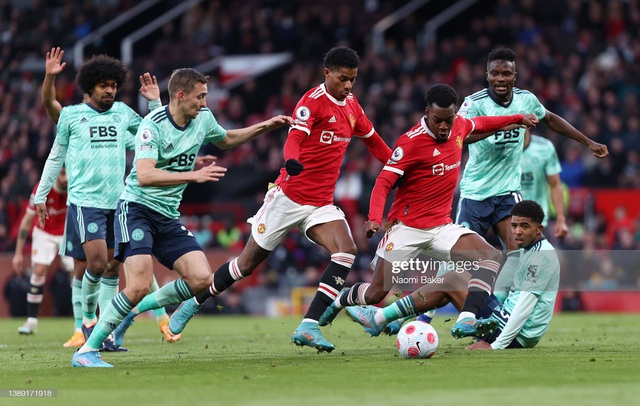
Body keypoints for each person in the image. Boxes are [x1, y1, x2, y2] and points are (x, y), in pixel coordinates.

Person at [167, 47, 393, 353]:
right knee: (245, 265)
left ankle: (309, 325)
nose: (349, 85)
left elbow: (374, 142)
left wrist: (398, 167)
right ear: (327, 73)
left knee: (346, 251)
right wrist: (291, 161)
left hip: (321, 204)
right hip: (288, 197)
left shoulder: (352, 105)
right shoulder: (312, 102)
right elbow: (295, 138)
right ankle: (194, 301)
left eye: (353, 79)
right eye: (343, 79)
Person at [71, 67, 293, 367]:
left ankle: (132, 313)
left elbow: (226, 139)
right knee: (136, 285)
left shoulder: (203, 119)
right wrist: (194, 175)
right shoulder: (153, 125)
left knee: (201, 279)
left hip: (167, 215)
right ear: (181, 95)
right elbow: (145, 175)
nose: (205, 102)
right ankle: (87, 350)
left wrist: (265, 126)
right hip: (137, 209)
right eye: (200, 96)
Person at [318, 84, 539, 339]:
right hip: (407, 229)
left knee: (490, 256)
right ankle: (339, 300)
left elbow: (484, 122)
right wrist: (374, 218)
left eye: (449, 120)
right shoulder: (410, 143)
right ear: (426, 113)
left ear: (456, 114)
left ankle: (467, 319)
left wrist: (518, 118)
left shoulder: (459, 126)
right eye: (438, 121)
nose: (444, 127)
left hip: (441, 228)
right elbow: (383, 182)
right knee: (376, 293)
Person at [40, 47, 184, 344]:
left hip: (118, 203)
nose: (110, 90)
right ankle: (88, 321)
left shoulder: (122, 114)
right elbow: (55, 157)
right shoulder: (72, 116)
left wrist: (155, 101)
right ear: (89, 85)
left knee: (111, 268)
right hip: (85, 202)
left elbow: (152, 133)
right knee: (92, 264)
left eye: (114, 86)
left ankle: (103, 333)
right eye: (104, 85)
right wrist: (41, 195)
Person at [454, 47, 607, 306]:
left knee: (518, 253)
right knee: (461, 258)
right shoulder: (474, 103)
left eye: (506, 73)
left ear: (515, 76)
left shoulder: (526, 100)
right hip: (474, 193)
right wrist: (507, 123)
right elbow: (460, 135)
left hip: (507, 191)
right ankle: (425, 315)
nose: (500, 78)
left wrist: (587, 141)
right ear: (487, 75)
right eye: (495, 73)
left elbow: (551, 120)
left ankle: (501, 312)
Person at [348, 200, 560, 351]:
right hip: (506, 320)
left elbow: (524, 307)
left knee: (451, 279)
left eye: (525, 226)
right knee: (458, 279)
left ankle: (380, 318)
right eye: (514, 226)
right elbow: (508, 296)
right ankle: (390, 318)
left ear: (539, 229)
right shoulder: (529, 250)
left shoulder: (541, 258)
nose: (517, 231)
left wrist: (496, 346)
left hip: (518, 336)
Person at [12, 169, 75, 340]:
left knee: (76, 274)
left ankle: (81, 322)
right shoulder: (42, 187)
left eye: (68, 173)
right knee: (39, 270)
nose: (66, 178)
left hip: (66, 232)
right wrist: (18, 253)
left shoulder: (76, 185)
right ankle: (31, 320)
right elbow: (26, 220)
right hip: (44, 231)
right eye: (62, 174)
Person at [520, 128, 568, 239]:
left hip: (539, 220)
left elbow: (555, 184)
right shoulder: (500, 148)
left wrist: (560, 219)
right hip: (509, 221)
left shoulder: (545, 147)